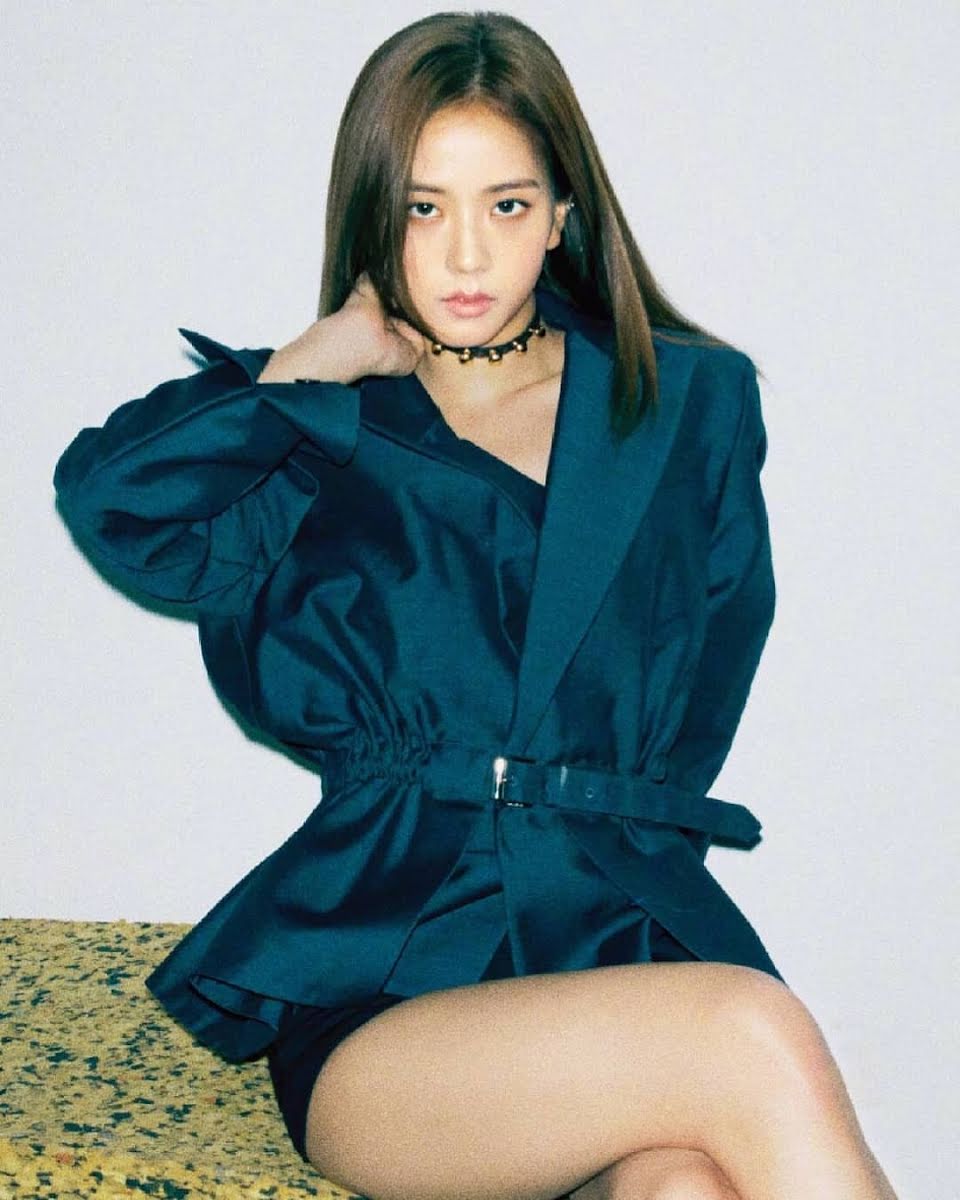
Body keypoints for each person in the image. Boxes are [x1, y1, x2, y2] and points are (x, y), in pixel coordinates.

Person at [53, 11, 899, 1200]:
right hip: (391, 978)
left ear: (562, 213)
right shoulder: (314, 429)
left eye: (505, 204)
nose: (464, 254)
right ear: (374, 215)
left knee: (683, 1188)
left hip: (615, 935)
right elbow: (115, 501)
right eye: (422, 207)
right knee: (748, 1030)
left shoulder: (690, 404)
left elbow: (706, 678)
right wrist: (316, 360)